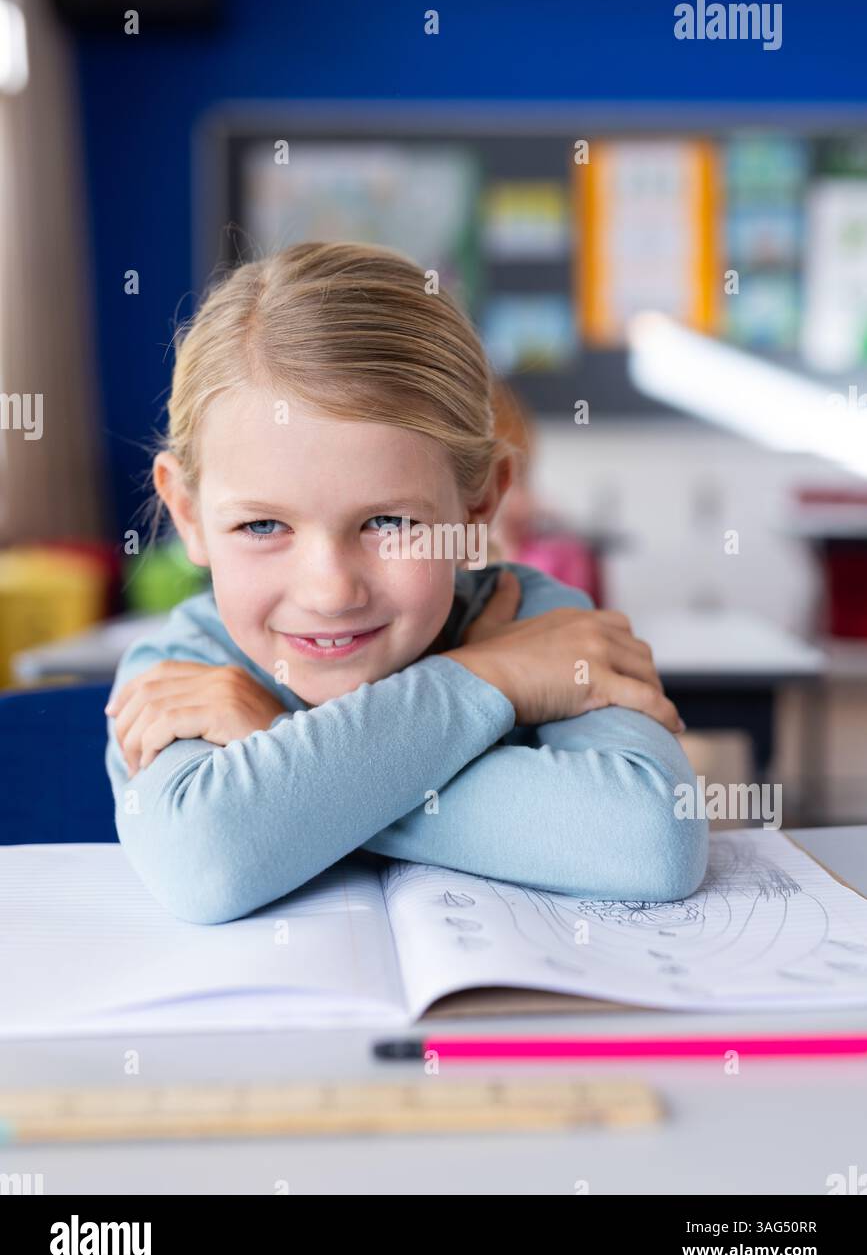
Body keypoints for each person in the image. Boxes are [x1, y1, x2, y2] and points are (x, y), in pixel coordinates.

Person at [104, 241, 707, 924]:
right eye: (264, 526)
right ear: (186, 512)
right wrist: (489, 677)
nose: (330, 591)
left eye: (387, 521)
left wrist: (279, 743)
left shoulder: (539, 623)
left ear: (479, 504)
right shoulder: (182, 671)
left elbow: (652, 840)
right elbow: (205, 859)